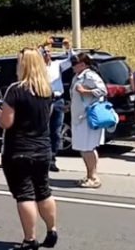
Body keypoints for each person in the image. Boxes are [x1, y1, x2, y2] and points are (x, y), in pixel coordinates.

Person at [0, 48, 58, 250]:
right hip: (42, 148)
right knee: (44, 190)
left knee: (25, 195)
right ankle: (51, 230)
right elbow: (46, 118)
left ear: (23, 65)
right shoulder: (46, 89)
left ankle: (30, 239)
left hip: (19, 149)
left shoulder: (16, 89)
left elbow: (7, 122)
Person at [69, 53, 107, 188]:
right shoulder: (78, 76)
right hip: (79, 117)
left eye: (75, 63)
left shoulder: (89, 75)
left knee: (88, 148)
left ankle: (93, 177)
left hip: (86, 118)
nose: (73, 66)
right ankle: (90, 175)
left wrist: (85, 91)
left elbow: (103, 91)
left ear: (83, 65)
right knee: (85, 148)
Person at [39, 40, 73, 172]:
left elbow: (71, 60)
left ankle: (52, 159)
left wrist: (68, 47)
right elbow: (30, 56)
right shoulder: (38, 67)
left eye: (48, 52)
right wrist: (43, 44)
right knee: (44, 130)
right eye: (44, 52)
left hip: (58, 100)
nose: (47, 54)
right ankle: (43, 158)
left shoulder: (57, 64)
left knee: (56, 132)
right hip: (44, 100)